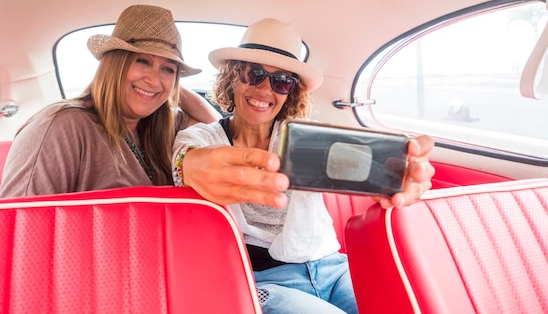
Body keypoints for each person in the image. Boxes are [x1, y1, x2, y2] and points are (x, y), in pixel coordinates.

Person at [172, 18, 435, 314]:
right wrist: (189, 165)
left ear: (290, 92)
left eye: (281, 81)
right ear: (233, 76)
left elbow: (363, 162)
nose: (264, 89)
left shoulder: (305, 138)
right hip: (266, 280)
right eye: (254, 73)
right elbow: (185, 157)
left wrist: (398, 174)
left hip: (334, 267)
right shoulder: (206, 137)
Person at [0, 4, 221, 197]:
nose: (153, 79)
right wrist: (160, 83)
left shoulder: (160, 126)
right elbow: (18, 225)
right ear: (113, 65)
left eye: (168, 69)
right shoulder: (63, 125)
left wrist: (167, 87)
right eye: (142, 61)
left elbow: (216, 128)